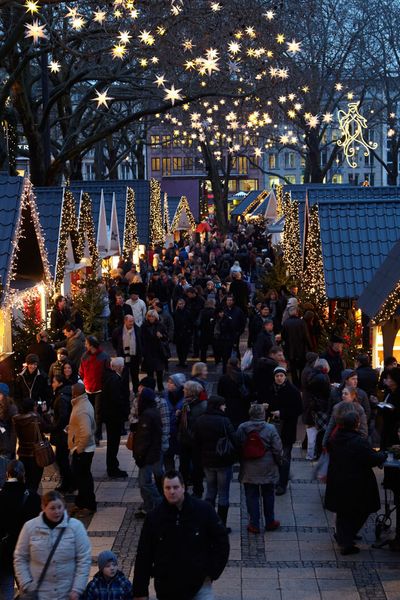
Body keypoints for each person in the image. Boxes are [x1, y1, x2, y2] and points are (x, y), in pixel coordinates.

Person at [132, 470, 229, 600]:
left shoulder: (203, 510)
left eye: (175, 487)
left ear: (183, 487)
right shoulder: (154, 518)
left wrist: (212, 571)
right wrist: (140, 591)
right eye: (168, 488)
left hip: (199, 585)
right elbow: (144, 555)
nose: (172, 491)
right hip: (167, 588)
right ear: (163, 489)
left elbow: (221, 542)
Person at [325, 412, 386, 555]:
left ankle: (344, 536)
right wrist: (383, 455)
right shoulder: (357, 441)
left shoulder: (335, 438)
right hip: (356, 483)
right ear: (355, 424)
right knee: (360, 510)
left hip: (339, 480)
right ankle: (345, 541)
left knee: (343, 511)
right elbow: (371, 458)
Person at [14, 490, 92, 599]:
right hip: (39, 594)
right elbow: (20, 557)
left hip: (67, 594)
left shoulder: (76, 527)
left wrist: (77, 588)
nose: (57, 511)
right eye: (52, 508)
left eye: (60, 507)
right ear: (43, 507)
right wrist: (26, 583)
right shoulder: (30, 527)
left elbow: (84, 558)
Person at [237, 404, 282, 534]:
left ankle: (254, 524)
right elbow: (277, 448)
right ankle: (270, 522)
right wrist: (279, 462)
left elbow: (238, 445)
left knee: (251, 496)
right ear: (263, 415)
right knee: (268, 495)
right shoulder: (270, 428)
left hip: (249, 467)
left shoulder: (243, 427)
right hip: (267, 466)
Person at [194, 395, 237, 531]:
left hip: (207, 462)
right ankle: (221, 525)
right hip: (223, 462)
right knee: (223, 494)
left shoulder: (200, 420)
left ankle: (209, 523)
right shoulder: (224, 420)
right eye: (224, 405)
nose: (225, 407)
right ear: (219, 406)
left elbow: (196, 442)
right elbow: (234, 439)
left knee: (210, 492)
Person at [0, 460, 41, 599]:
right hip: (27, 551)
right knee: (26, 589)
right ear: (23, 474)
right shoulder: (33, 497)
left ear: (7, 474)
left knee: (6, 588)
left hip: (4, 551)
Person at [268, 366, 303, 495]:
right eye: (277, 376)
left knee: (285, 457)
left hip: (286, 429)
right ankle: (276, 479)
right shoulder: (270, 389)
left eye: (281, 376)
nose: (279, 378)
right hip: (272, 427)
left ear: (285, 376)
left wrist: (281, 413)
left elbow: (298, 409)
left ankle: (282, 484)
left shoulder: (292, 391)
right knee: (274, 456)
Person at [131, 387, 162, 518]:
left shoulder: (147, 415)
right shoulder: (152, 412)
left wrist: (139, 455)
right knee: (145, 482)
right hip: (151, 453)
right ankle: (149, 506)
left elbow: (144, 438)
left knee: (145, 483)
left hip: (147, 455)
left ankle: (160, 506)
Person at [68, 382, 97, 516]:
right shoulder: (81, 403)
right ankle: (81, 503)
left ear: (75, 393)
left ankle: (88, 506)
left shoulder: (82, 408)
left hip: (83, 451)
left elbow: (86, 433)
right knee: (81, 478)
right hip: (83, 448)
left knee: (84, 479)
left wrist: (79, 448)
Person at [42, 374, 73, 493]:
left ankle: (67, 483)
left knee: (62, 459)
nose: (52, 384)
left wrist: (53, 427)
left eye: (54, 382)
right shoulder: (63, 394)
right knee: (62, 458)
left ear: (60, 383)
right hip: (64, 433)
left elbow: (63, 417)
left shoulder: (61, 397)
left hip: (62, 434)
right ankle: (69, 482)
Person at [178, 380, 207, 499]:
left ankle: (197, 491)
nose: (183, 390)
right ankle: (183, 490)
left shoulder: (201, 406)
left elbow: (197, 425)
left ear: (191, 392)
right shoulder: (187, 403)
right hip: (185, 441)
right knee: (183, 467)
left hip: (195, 442)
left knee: (197, 468)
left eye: (185, 389)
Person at [79, 336, 109, 444]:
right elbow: (81, 371)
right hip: (88, 389)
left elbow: (108, 372)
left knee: (98, 414)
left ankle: (97, 435)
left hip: (99, 389)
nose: (85, 345)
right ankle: (90, 434)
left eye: (86, 343)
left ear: (91, 345)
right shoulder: (84, 356)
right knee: (89, 413)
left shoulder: (104, 356)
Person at [102, 357, 129, 478]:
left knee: (113, 443)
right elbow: (117, 399)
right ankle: (112, 468)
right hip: (114, 417)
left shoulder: (110, 377)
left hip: (110, 416)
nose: (123, 368)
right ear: (118, 367)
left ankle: (113, 466)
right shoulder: (115, 379)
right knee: (113, 443)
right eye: (122, 366)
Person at [13, 398, 45, 491]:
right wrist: (45, 413)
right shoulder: (36, 417)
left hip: (22, 453)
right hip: (35, 453)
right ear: (33, 407)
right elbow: (48, 428)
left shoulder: (16, 419)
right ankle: (32, 500)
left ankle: (25, 500)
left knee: (24, 479)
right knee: (34, 481)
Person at [217, 357, 252, 428]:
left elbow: (220, 393)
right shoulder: (245, 376)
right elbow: (251, 391)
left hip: (229, 405)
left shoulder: (223, 378)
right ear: (238, 364)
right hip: (243, 405)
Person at [112, 314, 142, 393]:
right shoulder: (118, 331)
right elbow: (114, 342)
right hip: (123, 357)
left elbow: (141, 343)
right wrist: (119, 350)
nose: (132, 323)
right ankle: (125, 392)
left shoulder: (138, 330)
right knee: (124, 376)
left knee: (135, 376)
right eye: (130, 321)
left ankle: (136, 391)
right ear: (125, 321)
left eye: (133, 321)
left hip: (134, 357)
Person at [281, 306, 310, 388]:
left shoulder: (286, 323)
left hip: (290, 348)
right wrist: (310, 346)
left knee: (293, 367)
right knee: (301, 367)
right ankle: (301, 382)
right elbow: (306, 335)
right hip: (301, 348)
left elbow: (283, 336)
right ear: (297, 313)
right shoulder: (301, 322)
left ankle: (295, 383)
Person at [141, 310, 168, 392]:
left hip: (159, 351)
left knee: (159, 371)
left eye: (152, 316)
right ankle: (151, 389)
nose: (151, 318)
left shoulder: (161, 325)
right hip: (148, 352)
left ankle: (160, 388)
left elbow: (166, 338)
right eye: (149, 316)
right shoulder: (144, 326)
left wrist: (161, 336)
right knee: (150, 373)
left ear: (156, 317)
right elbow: (141, 339)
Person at [163, 373, 186, 471]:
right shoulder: (165, 395)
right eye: (168, 382)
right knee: (168, 457)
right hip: (168, 432)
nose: (168, 384)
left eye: (171, 383)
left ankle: (184, 477)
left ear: (178, 385)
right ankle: (170, 476)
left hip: (181, 433)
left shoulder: (185, 397)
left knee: (184, 458)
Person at [378, 367, 400, 450]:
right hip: (387, 426)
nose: (386, 380)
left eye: (389, 378)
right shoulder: (389, 391)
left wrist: (393, 409)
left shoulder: (397, 393)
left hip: (395, 428)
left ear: (395, 380)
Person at [0, 383, 17, 487]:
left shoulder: (11, 408)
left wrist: (9, 448)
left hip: (5, 448)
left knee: (2, 476)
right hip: (2, 445)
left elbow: (14, 431)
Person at [173, 297, 194, 368]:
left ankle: (183, 361)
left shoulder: (188, 312)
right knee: (179, 349)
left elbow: (191, 323)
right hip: (178, 333)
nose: (180, 305)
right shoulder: (175, 312)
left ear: (184, 304)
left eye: (181, 304)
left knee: (185, 348)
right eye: (179, 304)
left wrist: (190, 331)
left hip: (185, 333)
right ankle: (181, 361)